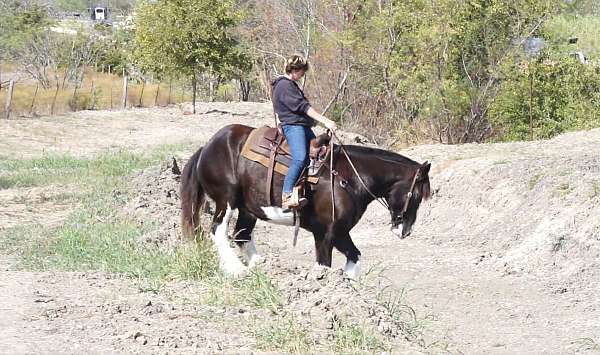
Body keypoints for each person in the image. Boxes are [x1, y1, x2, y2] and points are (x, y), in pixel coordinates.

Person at [271, 54, 337, 209]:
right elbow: (303, 107)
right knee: (300, 158)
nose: (302, 75)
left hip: (302, 126)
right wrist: (325, 120)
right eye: (302, 71)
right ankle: (286, 195)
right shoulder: (284, 85)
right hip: (293, 126)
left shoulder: (291, 85)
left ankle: (304, 190)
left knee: (317, 153)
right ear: (296, 70)